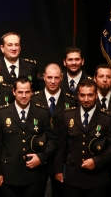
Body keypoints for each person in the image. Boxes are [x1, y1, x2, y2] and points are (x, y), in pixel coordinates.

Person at [0, 76, 57, 197]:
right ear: (14, 92)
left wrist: (42, 157)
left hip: (34, 175)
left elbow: (52, 140)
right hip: (9, 175)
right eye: (20, 92)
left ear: (31, 92)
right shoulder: (1, 113)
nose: (24, 95)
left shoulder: (42, 112)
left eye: (27, 92)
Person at [55, 79, 111, 197]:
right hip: (72, 178)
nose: (86, 99)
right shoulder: (67, 116)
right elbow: (61, 146)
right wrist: (58, 170)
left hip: (97, 179)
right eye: (83, 95)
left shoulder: (107, 118)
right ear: (78, 96)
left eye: (90, 95)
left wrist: (96, 161)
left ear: (96, 95)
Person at [31, 63, 78, 196]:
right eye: (50, 77)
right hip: (38, 157)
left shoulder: (72, 101)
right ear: (43, 77)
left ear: (61, 77)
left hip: (61, 158)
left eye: (56, 78)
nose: (53, 81)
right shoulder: (33, 100)